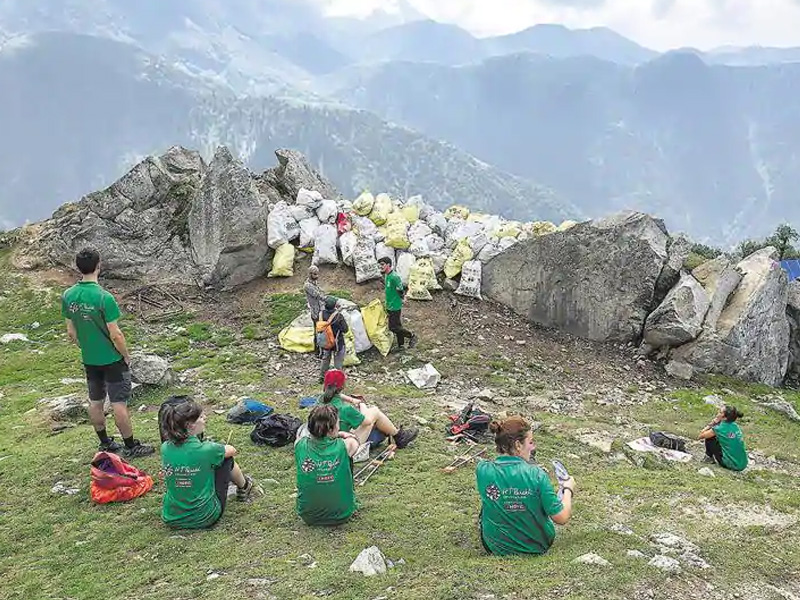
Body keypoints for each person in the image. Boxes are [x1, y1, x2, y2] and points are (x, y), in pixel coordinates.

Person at [62, 248, 154, 458]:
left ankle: (105, 442)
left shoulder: (68, 296)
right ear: (98, 266)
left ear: (78, 267)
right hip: (112, 359)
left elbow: (71, 331)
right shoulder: (104, 298)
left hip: (90, 359)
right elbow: (116, 334)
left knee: (95, 401)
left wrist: (86, 346)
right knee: (118, 403)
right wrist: (125, 354)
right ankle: (131, 446)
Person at [477, 416, 575, 556]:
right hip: (535, 547)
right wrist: (568, 489)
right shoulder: (537, 475)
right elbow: (562, 517)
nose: (533, 447)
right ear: (518, 445)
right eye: (530, 442)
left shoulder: (482, 470)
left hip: (495, 547)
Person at [160, 399, 256, 529]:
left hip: (172, 518)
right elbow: (231, 450)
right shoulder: (207, 449)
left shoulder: (165, 447)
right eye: (200, 417)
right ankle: (244, 487)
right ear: (190, 425)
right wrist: (218, 447)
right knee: (226, 459)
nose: (205, 418)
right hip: (205, 517)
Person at [295, 404, 360, 525]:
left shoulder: (300, 445)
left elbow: (303, 436)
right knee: (348, 460)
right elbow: (354, 441)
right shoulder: (345, 445)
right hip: (342, 514)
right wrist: (342, 434)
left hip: (308, 516)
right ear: (331, 428)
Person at [320, 369, 418, 449]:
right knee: (374, 412)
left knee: (372, 416)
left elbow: (337, 395)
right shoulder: (346, 409)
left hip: (326, 441)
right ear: (342, 386)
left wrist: (351, 399)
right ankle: (399, 436)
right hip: (343, 445)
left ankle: (396, 434)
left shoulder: (320, 400)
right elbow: (367, 422)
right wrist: (362, 406)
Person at [377, 257, 417, 350]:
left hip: (395, 306)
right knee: (398, 325)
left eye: (383, 264)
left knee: (393, 327)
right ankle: (401, 345)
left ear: (388, 265)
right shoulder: (387, 275)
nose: (381, 266)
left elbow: (400, 289)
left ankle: (411, 335)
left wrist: (402, 298)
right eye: (380, 265)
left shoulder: (394, 276)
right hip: (389, 305)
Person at [699, 405, 748, 471]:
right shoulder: (735, 426)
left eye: (720, 412)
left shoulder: (720, 428)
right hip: (742, 464)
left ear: (725, 418)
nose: (718, 413)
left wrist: (713, 423)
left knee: (710, 438)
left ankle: (708, 458)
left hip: (731, 464)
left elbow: (701, 435)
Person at [319, 296, 349, 383]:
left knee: (325, 360)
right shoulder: (338, 316)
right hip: (337, 343)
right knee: (338, 363)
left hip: (325, 342)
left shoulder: (320, 314)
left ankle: (321, 378)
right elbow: (345, 330)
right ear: (335, 305)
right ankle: (338, 381)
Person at [305, 265, 327, 357]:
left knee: (323, 331)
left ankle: (323, 349)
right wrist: (327, 299)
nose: (317, 276)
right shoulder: (308, 286)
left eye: (317, 274)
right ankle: (318, 351)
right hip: (315, 313)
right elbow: (318, 295)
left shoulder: (314, 282)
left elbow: (320, 291)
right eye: (315, 274)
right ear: (310, 274)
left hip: (320, 310)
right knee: (318, 332)